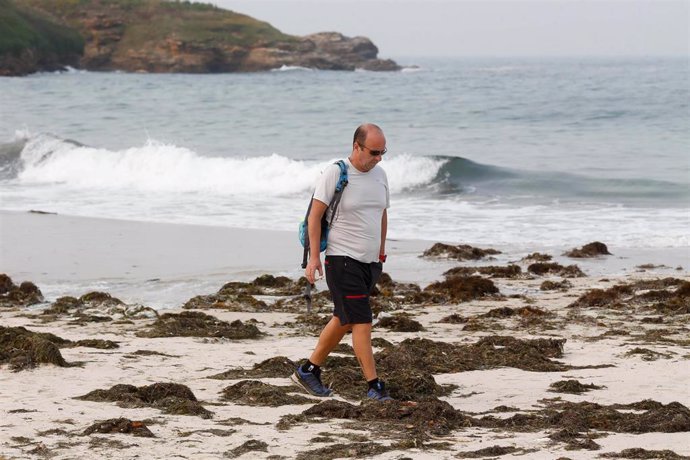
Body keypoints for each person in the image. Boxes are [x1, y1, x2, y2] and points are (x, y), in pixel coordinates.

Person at [291, 123, 392, 401]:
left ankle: (309, 370)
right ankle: (374, 386)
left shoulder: (380, 174)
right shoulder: (335, 173)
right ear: (356, 147)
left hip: (369, 263)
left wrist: (381, 251)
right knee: (361, 320)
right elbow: (314, 216)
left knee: (344, 318)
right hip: (341, 259)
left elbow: (382, 213)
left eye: (383, 152)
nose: (379, 157)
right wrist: (313, 258)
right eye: (374, 151)